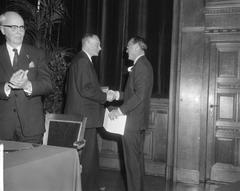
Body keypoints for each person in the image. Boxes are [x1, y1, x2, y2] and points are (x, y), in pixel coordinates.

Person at [64, 33, 115, 191]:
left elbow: (69, 89)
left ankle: (89, 186)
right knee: (88, 157)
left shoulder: (79, 60)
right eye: (98, 44)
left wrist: (99, 91)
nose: (100, 48)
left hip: (81, 116)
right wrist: (105, 96)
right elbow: (86, 89)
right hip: (85, 117)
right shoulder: (83, 62)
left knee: (87, 156)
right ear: (87, 44)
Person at [0, 11, 52, 144]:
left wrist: (27, 85)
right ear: (2, 29)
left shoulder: (37, 54)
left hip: (32, 128)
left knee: (34, 164)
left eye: (22, 27)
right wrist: (7, 87)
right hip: (3, 129)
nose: (19, 31)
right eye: (13, 27)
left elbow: (47, 84)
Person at [109, 36, 153, 191]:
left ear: (136, 47)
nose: (126, 49)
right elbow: (133, 93)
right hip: (137, 122)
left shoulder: (141, 66)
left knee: (132, 166)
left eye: (128, 46)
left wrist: (119, 111)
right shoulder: (142, 65)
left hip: (132, 123)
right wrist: (117, 95)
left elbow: (139, 96)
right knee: (136, 165)